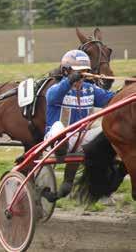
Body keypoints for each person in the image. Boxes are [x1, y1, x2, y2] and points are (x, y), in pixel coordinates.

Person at [44, 49, 114, 199]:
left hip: (81, 140)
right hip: (55, 139)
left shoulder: (91, 89)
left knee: (106, 131)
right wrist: (70, 81)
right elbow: (53, 97)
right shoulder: (55, 89)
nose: (82, 76)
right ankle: (61, 154)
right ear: (65, 71)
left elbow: (112, 99)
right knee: (59, 127)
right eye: (78, 72)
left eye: (84, 71)